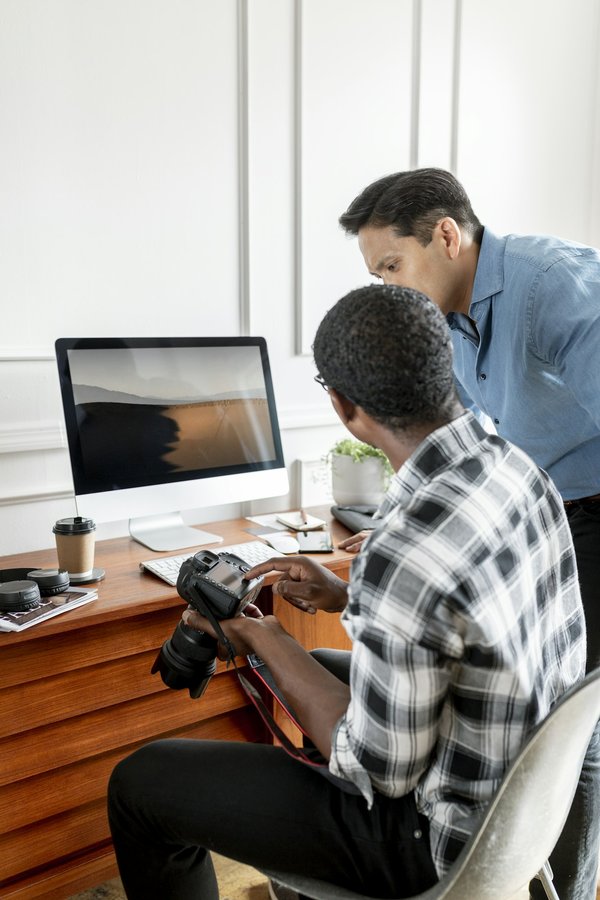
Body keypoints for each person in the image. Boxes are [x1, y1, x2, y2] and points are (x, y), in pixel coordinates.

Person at [108, 285, 585, 900]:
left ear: (341, 404)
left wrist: (264, 635)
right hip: (520, 797)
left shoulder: (405, 547)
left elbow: (374, 767)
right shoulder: (520, 470)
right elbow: (468, 604)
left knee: (141, 782)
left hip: (438, 842)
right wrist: (350, 593)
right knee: (328, 663)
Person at [338, 169, 600, 899]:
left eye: (392, 266)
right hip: (546, 505)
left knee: (573, 729)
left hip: (592, 513)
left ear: (447, 236)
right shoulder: (446, 321)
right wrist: (409, 534)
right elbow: (462, 449)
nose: (388, 288)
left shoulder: (553, 289)